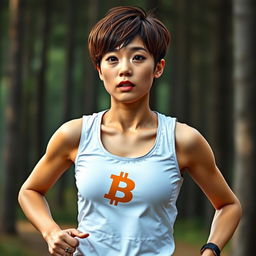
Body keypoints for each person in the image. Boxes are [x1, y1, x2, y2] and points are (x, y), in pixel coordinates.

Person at [18, 6, 242, 256]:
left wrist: (211, 250)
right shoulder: (75, 135)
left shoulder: (183, 140)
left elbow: (229, 205)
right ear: (100, 70)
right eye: (112, 59)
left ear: (158, 68)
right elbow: (30, 191)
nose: (125, 69)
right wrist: (50, 231)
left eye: (138, 57)